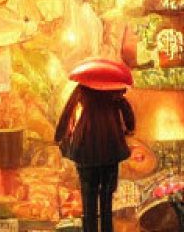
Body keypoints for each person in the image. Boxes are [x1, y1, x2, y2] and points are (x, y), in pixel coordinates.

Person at [54, 63, 136, 232]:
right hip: (111, 147)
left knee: (88, 196)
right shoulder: (116, 91)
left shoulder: (82, 89)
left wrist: (59, 135)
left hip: (86, 147)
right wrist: (129, 128)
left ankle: (89, 229)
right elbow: (127, 113)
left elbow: (68, 111)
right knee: (106, 196)